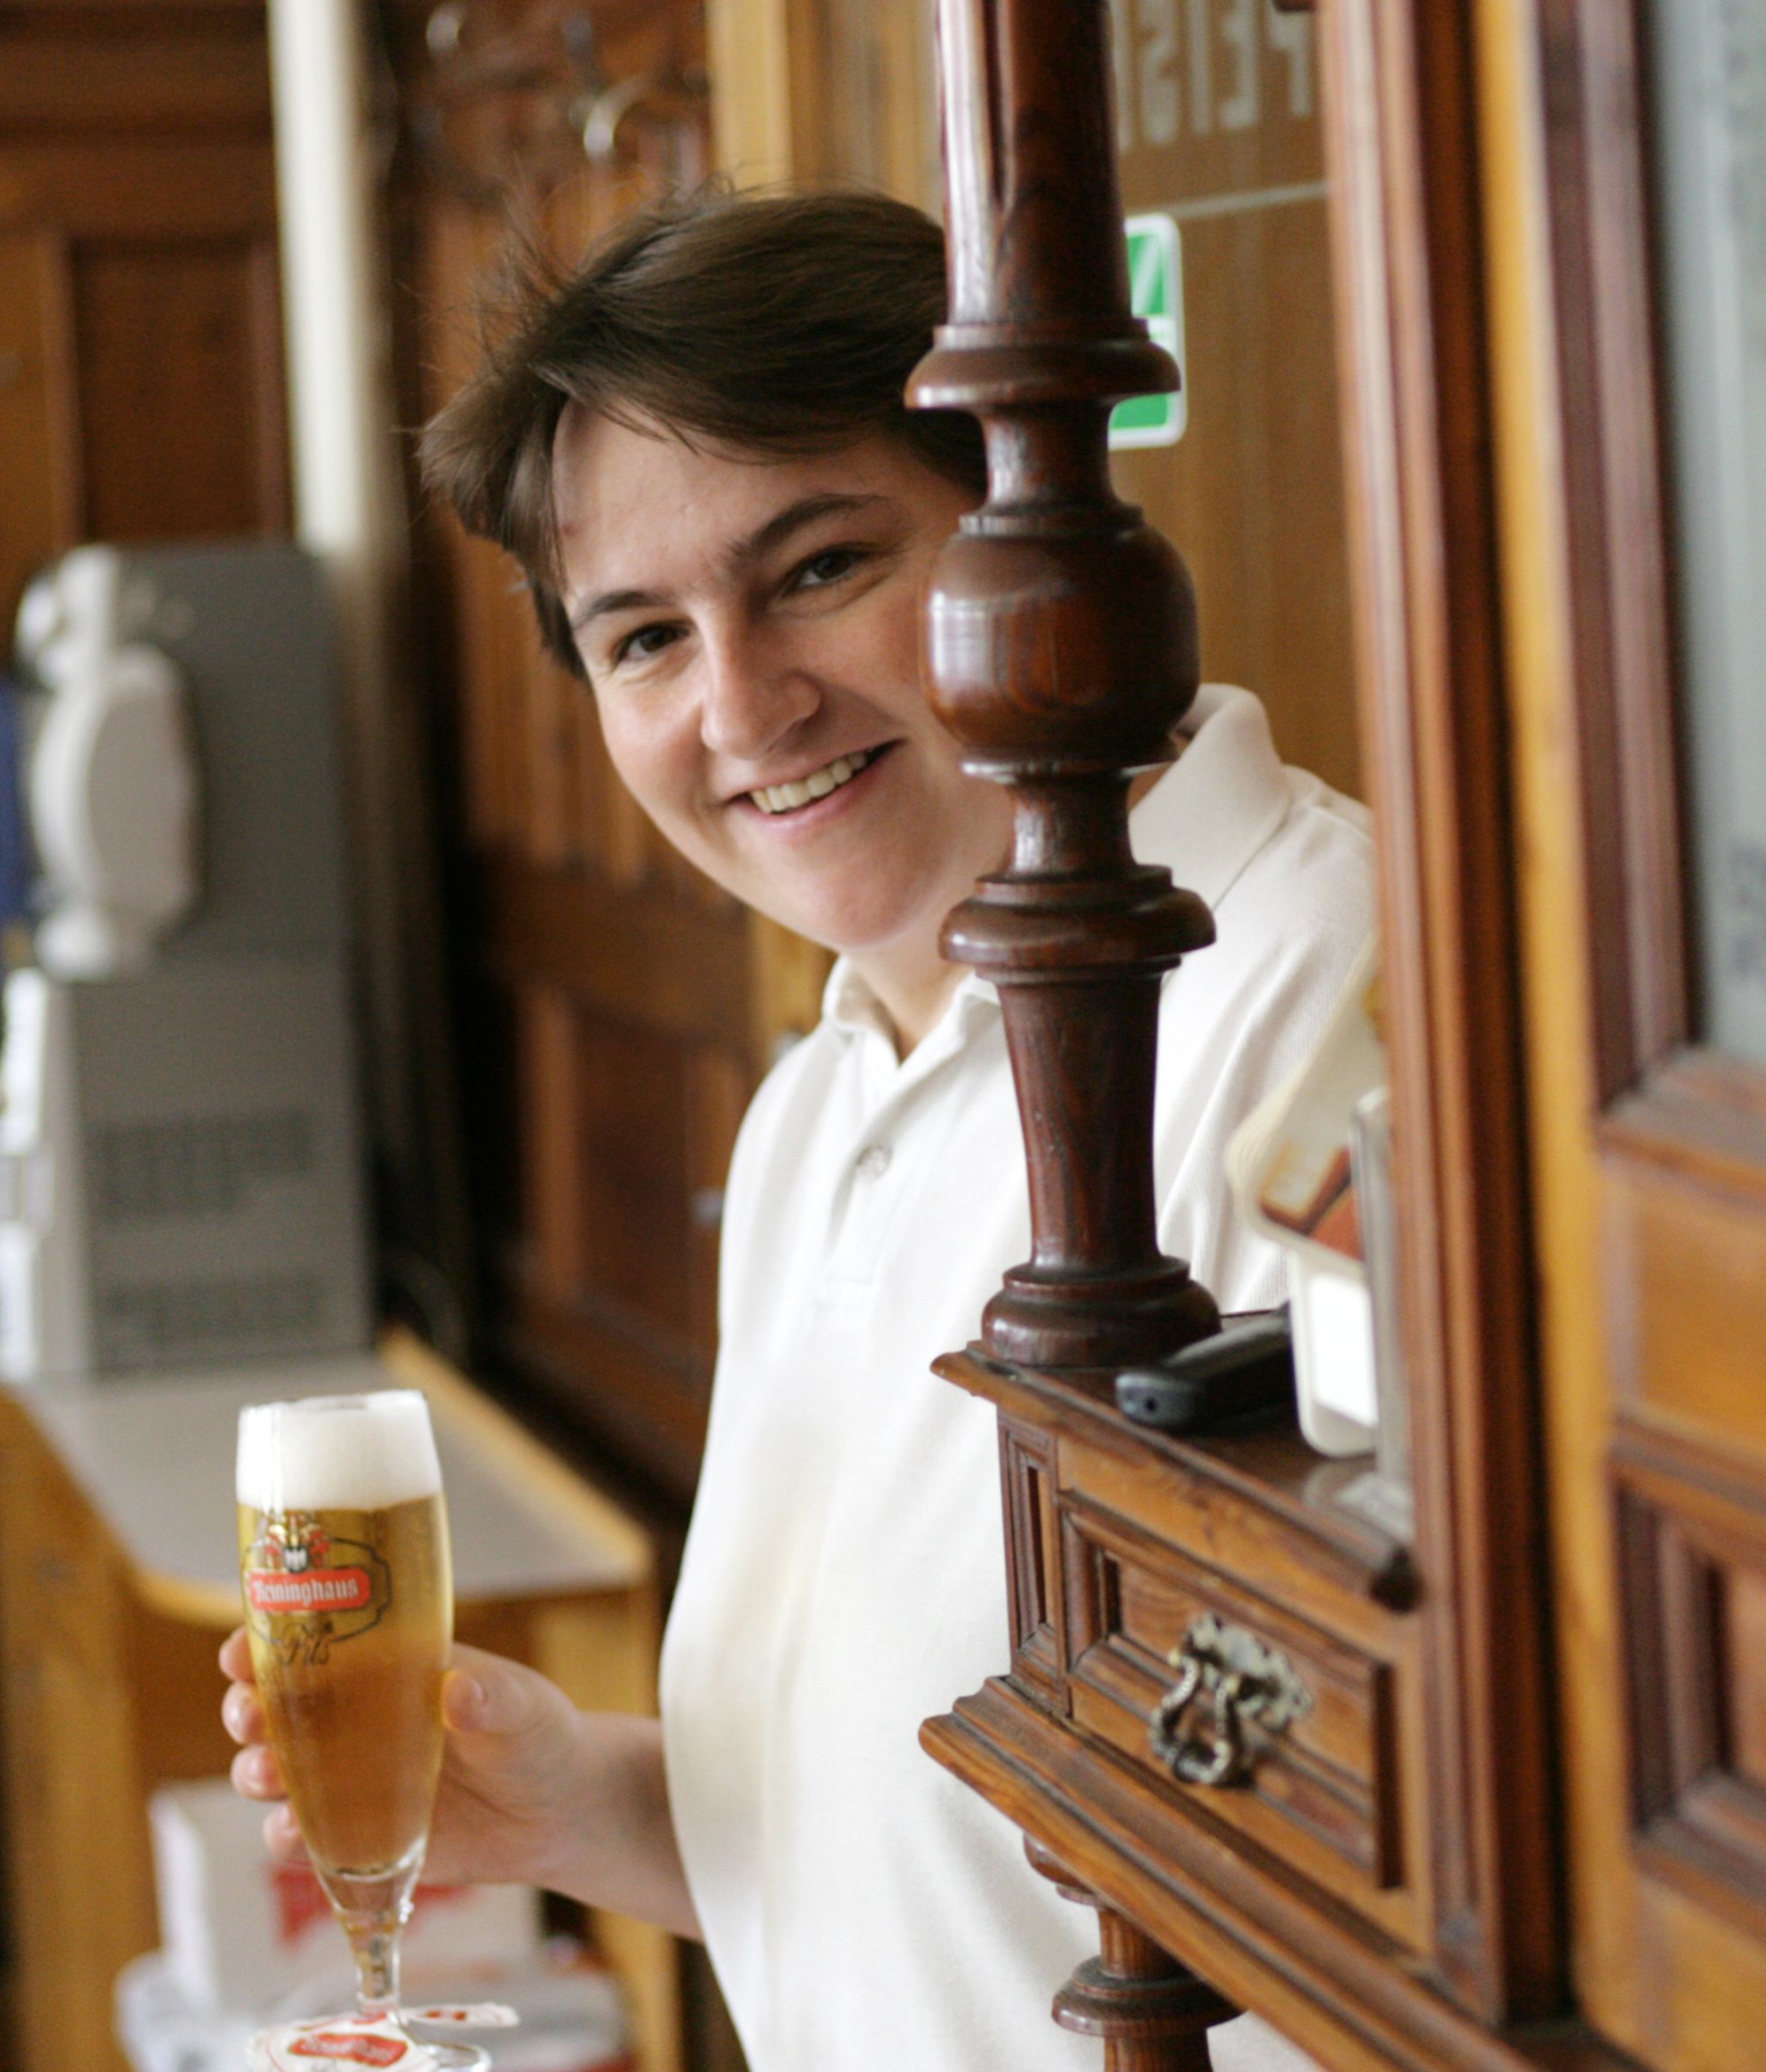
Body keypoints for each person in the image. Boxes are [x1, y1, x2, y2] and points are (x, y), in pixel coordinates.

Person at [219, 188, 1368, 2070]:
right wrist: (590, 1803)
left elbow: (1407, 1876)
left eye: (822, 565)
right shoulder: (817, 1110)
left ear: (1042, 533)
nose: (741, 703)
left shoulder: (1320, 1004)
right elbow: (966, 1866)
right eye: (645, 637)